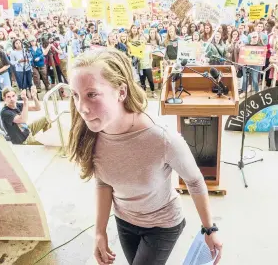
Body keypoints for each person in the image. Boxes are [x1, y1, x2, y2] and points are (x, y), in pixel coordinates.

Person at [68, 48, 222, 265]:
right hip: (124, 221)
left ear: (121, 92)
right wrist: (100, 232)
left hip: (162, 225)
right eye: (76, 95)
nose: (82, 108)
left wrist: (209, 228)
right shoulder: (93, 135)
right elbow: (104, 181)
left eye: (92, 94)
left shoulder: (163, 139)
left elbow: (195, 181)